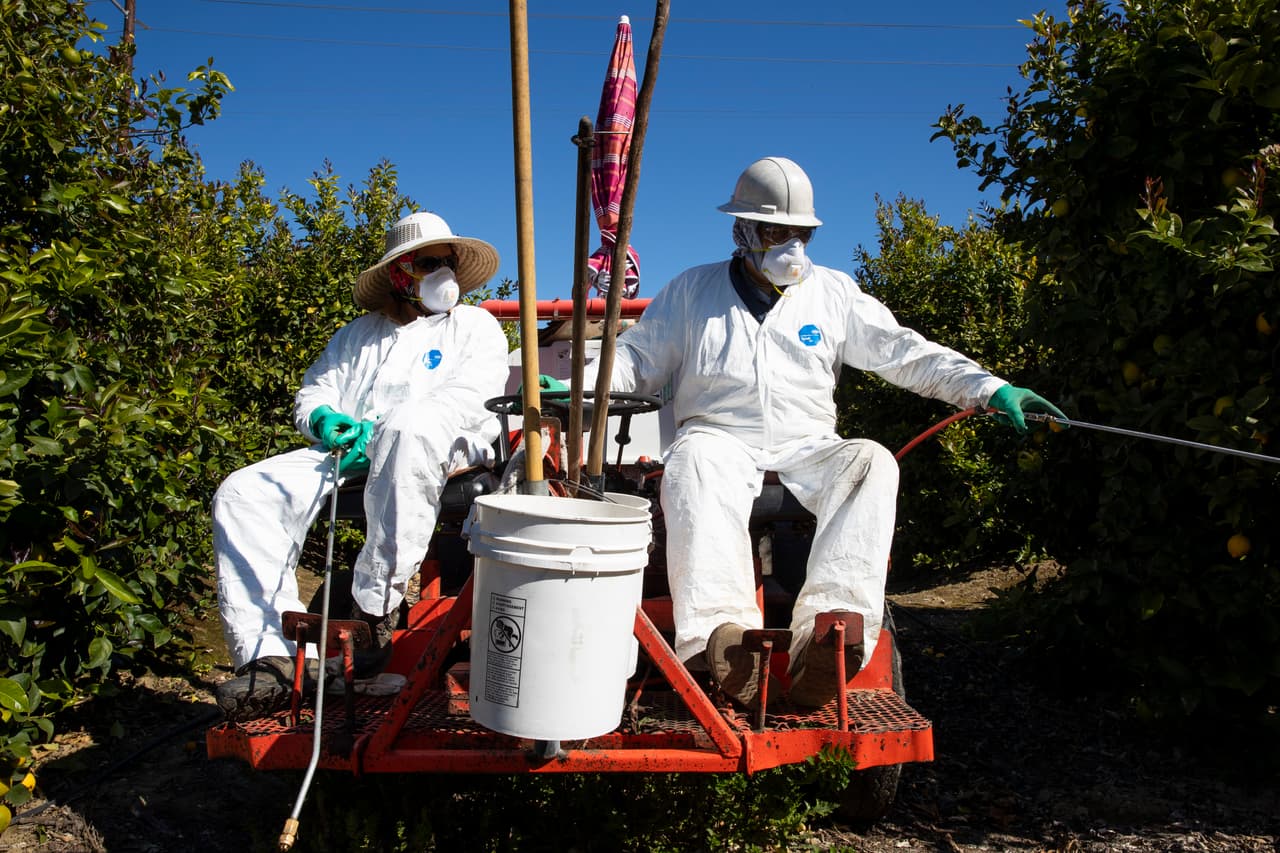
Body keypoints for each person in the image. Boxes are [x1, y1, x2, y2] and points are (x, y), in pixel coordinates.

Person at [589, 156, 1065, 710]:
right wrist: (573, 385)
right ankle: (723, 640)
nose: (790, 246)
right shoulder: (692, 292)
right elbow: (635, 359)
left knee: (871, 460)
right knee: (692, 462)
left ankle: (829, 639)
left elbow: (904, 352)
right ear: (741, 230)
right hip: (719, 439)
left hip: (808, 443)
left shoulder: (835, 294)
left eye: (800, 234)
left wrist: (987, 387)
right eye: (775, 232)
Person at [212, 211, 510, 722]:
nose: (442, 272)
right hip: (350, 456)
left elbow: (468, 399)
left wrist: (386, 429)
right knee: (244, 491)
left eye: (447, 261)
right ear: (399, 273)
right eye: (427, 263)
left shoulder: (473, 327)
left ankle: (374, 610)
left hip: (444, 448)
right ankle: (270, 659)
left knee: (408, 429)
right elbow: (316, 391)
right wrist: (326, 421)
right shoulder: (357, 336)